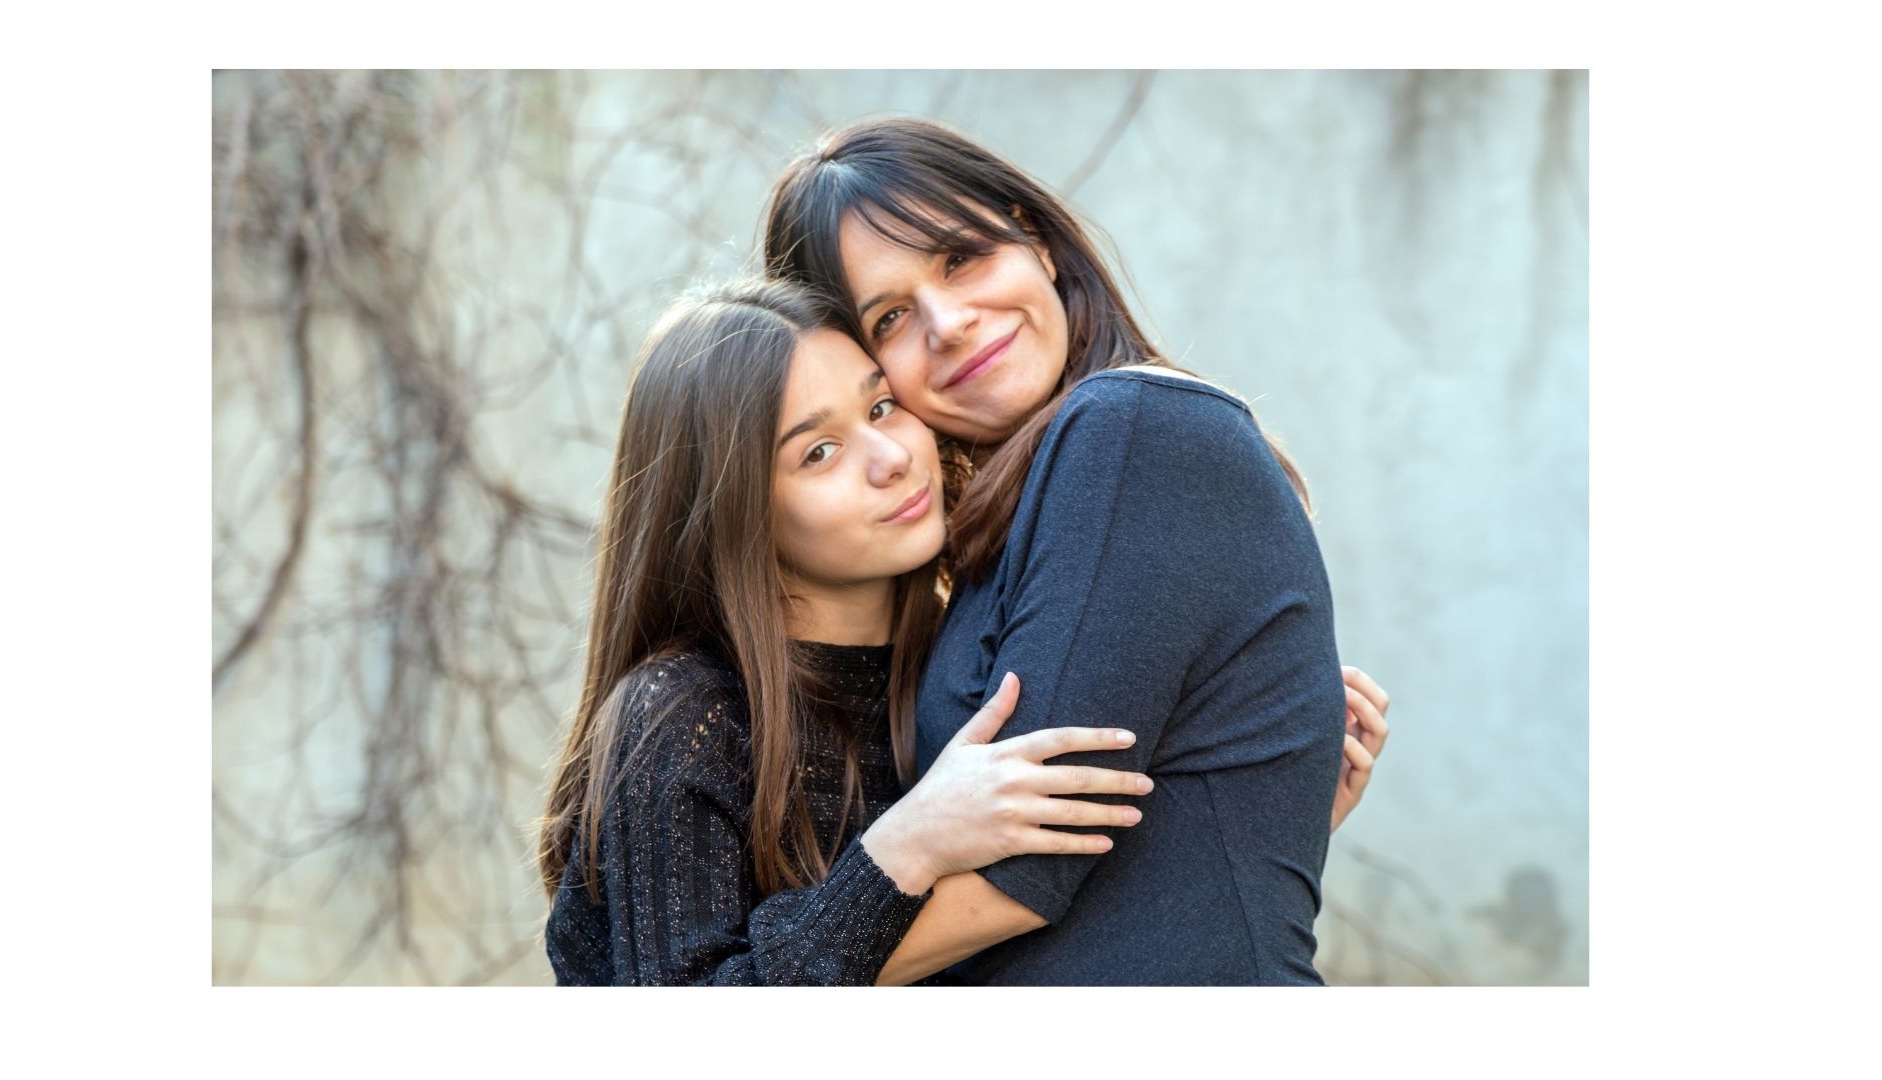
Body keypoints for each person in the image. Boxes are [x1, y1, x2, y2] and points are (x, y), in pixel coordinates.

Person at [764, 116, 1381, 984]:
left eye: (961, 257)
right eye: (892, 317)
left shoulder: (1126, 430)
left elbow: (1021, 872)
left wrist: (755, 983)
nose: (946, 323)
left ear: (1040, 243)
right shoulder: (1006, 527)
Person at [536, 278, 1161, 985]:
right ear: (736, 515)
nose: (890, 456)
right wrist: (908, 846)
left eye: (881, 406)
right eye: (819, 452)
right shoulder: (685, 715)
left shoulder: (966, 648)